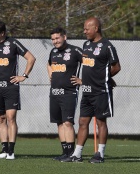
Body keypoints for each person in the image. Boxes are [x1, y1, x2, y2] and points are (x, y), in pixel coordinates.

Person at [61, 17, 121, 163]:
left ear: (96, 28)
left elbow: (116, 67)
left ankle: (99, 154)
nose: (84, 31)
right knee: (82, 122)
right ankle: (77, 154)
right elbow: (89, 67)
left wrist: (105, 78)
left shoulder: (107, 46)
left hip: (101, 91)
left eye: (87, 28)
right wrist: (84, 81)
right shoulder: (86, 44)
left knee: (101, 122)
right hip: (86, 91)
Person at [0, 20, 36, 160]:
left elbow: (31, 58)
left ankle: (11, 151)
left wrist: (23, 76)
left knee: (11, 118)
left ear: (2, 33)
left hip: (10, 88)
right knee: (1, 119)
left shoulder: (13, 43)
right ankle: (4, 150)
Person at [47, 27, 82, 161]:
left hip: (69, 92)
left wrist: (82, 80)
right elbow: (48, 64)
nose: (55, 41)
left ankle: (73, 154)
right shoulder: (53, 51)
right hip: (54, 92)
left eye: (57, 38)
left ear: (64, 37)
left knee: (68, 122)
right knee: (59, 123)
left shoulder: (75, 51)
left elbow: (91, 64)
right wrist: (50, 74)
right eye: (53, 39)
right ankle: (65, 152)